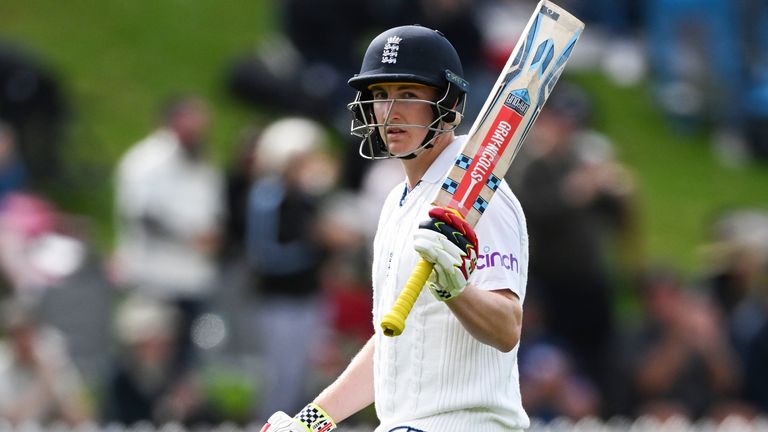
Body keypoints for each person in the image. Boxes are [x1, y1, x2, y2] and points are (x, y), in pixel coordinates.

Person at [261, 25, 529, 432]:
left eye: (407, 94)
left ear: (451, 104)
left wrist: (455, 289)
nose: (391, 111)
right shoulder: (396, 202)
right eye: (381, 95)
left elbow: (507, 327)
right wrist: (312, 422)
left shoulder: (481, 199)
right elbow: (393, 344)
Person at [113, 96, 224, 372]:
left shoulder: (203, 163)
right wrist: (189, 237)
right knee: (146, 363)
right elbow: (143, 216)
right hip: (154, 280)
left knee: (186, 364)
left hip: (193, 280)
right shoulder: (146, 162)